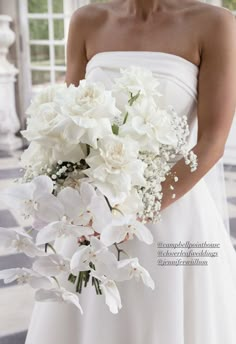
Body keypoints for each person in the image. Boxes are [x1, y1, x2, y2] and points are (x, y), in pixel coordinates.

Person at [25, 1, 236, 343]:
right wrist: (81, 205)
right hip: (93, 215)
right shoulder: (86, 21)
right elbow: (68, 125)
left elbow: (212, 142)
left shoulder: (215, 23)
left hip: (174, 218)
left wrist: (133, 214)